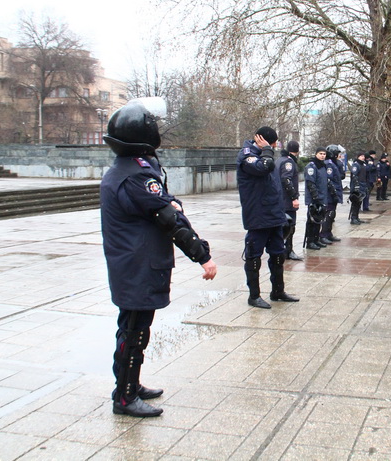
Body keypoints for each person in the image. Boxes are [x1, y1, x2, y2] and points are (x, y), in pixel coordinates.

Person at [101, 100, 218, 418]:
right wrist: (203, 256)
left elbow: (165, 203)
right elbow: (169, 218)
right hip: (137, 265)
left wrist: (170, 204)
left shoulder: (128, 170)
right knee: (134, 332)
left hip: (132, 264)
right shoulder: (137, 176)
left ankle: (128, 385)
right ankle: (125, 397)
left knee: (133, 328)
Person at [237, 127, 300, 309]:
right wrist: (266, 150)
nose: (273, 147)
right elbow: (264, 167)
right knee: (254, 256)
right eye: (272, 143)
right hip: (258, 215)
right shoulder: (247, 155)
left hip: (274, 214)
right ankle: (254, 296)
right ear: (262, 140)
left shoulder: (266, 154)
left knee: (278, 254)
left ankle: (278, 291)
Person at [276, 140, 303, 261]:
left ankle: (281, 250)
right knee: (290, 226)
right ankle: (288, 250)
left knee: (282, 226)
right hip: (287, 200)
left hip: (279, 199)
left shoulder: (279, 160)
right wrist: (294, 197)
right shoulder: (289, 162)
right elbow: (286, 180)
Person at [304, 147, 334, 249]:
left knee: (319, 219)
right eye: (320, 154)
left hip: (322, 197)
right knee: (312, 221)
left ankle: (316, 239)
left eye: (324, 154)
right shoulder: (312, 166)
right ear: (316, 154)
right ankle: (310, 241)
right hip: (314, 199)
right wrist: (315, 197)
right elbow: (310, 183)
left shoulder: (323, 166)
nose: (322, 156)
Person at [321, 145, 345, 243]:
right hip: (330, 194)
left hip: (334, 193)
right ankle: (323, 235)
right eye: (337, 153)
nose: (339, 155)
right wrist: (333, 193)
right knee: (329, 214)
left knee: (332, 213)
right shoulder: (329, 164)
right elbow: (329, 180)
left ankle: (328, 233)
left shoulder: (333, 163)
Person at [349, 151, 367, 225]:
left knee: (359, 202)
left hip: (362, 185)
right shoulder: (356, 165)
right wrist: (356, 186)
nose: (363, 157)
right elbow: (354, 175)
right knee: (355, 202)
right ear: (358, 157)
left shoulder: (363, 164)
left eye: (363, 156)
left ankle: (356, 217)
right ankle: (353, 218)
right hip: (357, 186)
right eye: (361, 156)